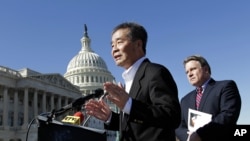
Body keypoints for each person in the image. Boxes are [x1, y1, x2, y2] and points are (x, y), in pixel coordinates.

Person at [84, 22, 181, 141]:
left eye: (119, 42)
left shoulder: (155, 72)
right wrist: (110, 117)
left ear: (138, 44)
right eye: (112, 45)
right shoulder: (130, 80)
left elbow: (172, 116)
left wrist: (129, 105)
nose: (114, 49)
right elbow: (138, 125)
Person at [175, 55, 241, 141]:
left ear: (206, 69)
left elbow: (228, 115)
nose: (189, 74)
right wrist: (189, 138)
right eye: (187, 72)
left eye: (193, 69)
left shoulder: (225, 86)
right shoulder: (185, 100)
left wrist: (200, 134)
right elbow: (179, 126)